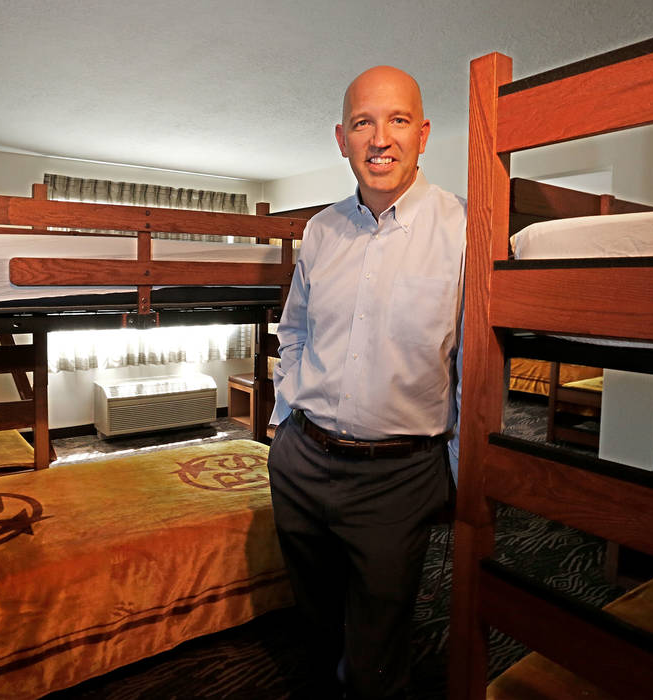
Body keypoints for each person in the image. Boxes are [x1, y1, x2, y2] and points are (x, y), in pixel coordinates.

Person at [268, 65, 465, 700]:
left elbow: (472, 364)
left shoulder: (465, 232)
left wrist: (460, 472)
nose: (380, 138)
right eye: (363, 123)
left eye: (397, 120)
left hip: (398, 476)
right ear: (342, 138)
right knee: (316, 628)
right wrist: (279, 422)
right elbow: (293, 330)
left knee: (377, 657)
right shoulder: (321, 231)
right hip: (303, 461)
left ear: (424, 133)